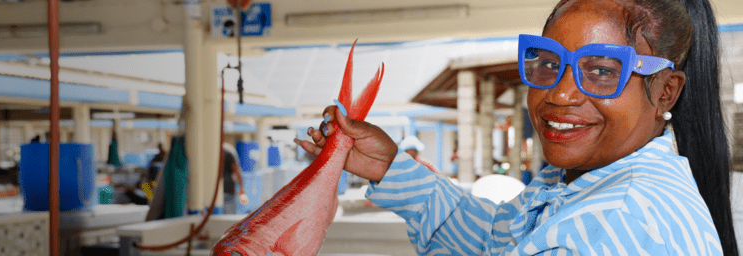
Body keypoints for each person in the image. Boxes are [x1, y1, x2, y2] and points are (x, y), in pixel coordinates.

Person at [295, 0, 739, 254]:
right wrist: (391, 168)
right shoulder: (580, 185)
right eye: (548, 63)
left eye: (603, 71)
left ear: (666, 91)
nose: (560, 95)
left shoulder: (615, 221)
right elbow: (494, 237)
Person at [222, 143, 247, 214]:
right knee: (229, 214)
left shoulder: (224, 153)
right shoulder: (228, 152)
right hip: (228, 189)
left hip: (222, 189)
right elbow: (236, 171)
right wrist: (241, 188)